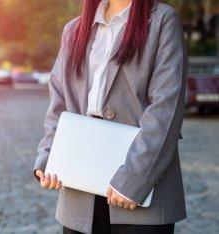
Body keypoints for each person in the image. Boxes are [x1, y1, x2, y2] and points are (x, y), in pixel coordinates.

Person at [33, 0, 187, 233]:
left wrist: (134, 180)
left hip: (142, 191)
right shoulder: (74, 30)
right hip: (79, 190)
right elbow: (60, 102)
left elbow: (167, 107)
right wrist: (48, 158)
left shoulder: (162, 20)